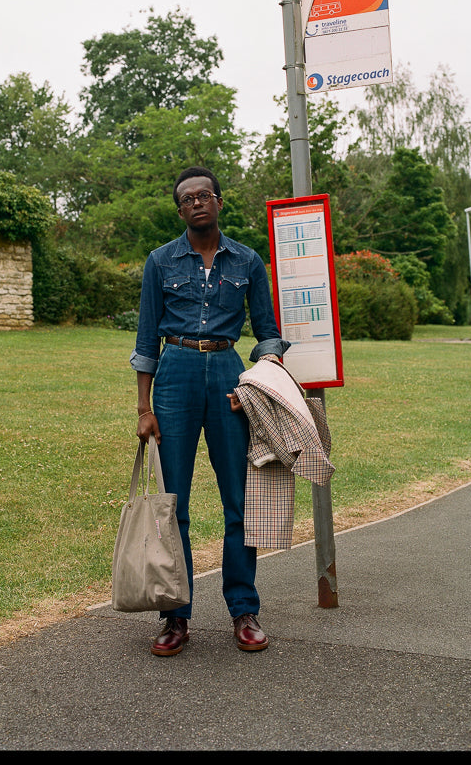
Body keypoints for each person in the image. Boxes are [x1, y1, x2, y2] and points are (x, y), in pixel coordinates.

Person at [130, 166, 289, 656]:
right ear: (180, 211)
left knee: (238, 500)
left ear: (219, 201)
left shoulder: (247, 260)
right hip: (174, 376)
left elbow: (266, 333)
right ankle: (175, 617)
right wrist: (144, 406)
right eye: (187, 199)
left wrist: (258, 384)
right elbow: (145, 340)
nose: (197, 202)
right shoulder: (160, 262)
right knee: (172, 504)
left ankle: (244, 610)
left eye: (204, 195)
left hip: (227, 375)